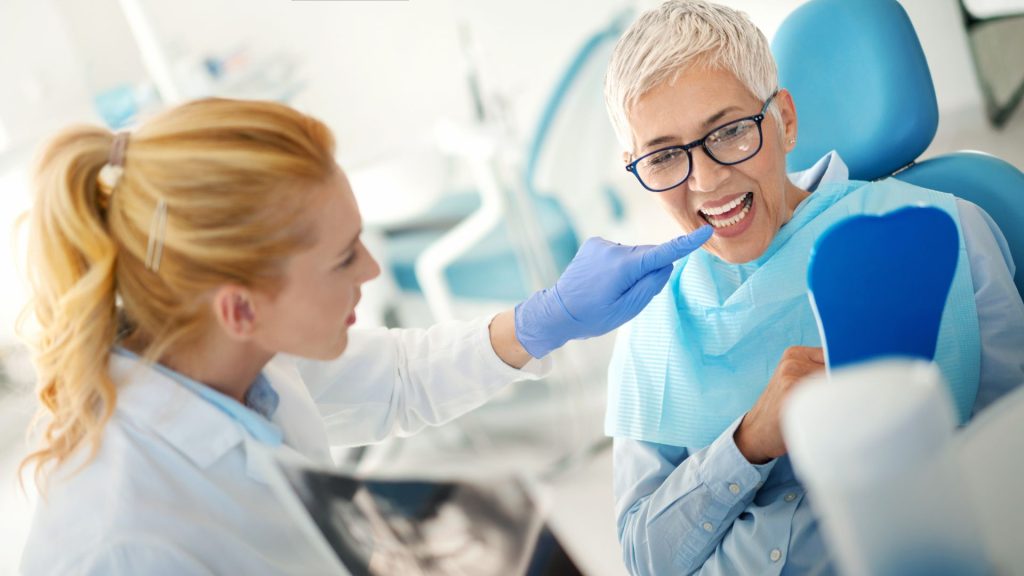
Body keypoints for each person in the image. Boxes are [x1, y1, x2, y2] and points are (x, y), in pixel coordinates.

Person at [17, 97, 712, 574]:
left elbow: (399, 379)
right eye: (345, 256)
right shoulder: (123, 542)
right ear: (240, 308)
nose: (373, 269)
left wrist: (544, 318)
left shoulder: (229, 358)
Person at [601, 1, 1024, 574]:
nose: (705, 179)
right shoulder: (652, 322)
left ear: (784, 120)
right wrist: (747, 444)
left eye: (727, 132)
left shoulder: (944, 232)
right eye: (664, 155)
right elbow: (645, 560)